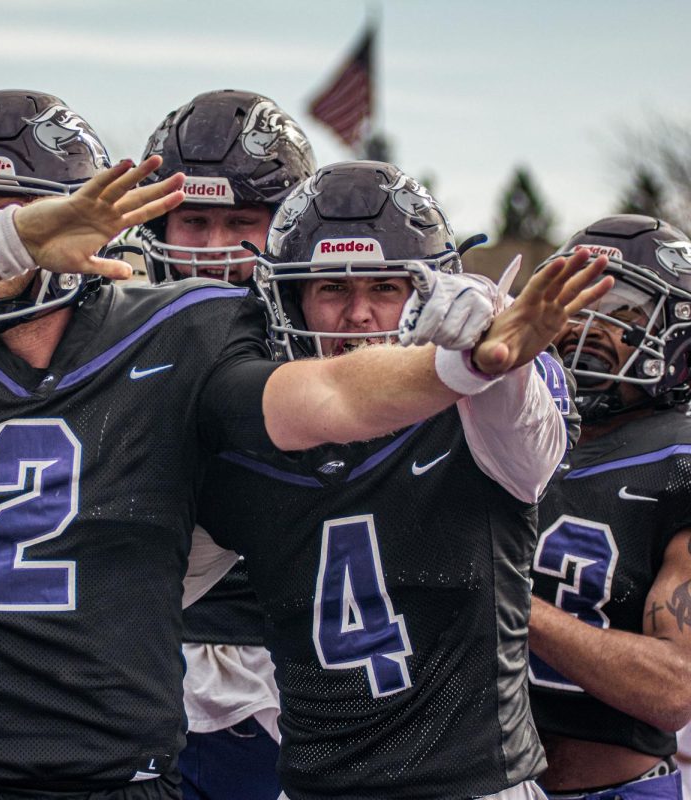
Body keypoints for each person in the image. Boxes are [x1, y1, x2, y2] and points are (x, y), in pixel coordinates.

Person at [0, 89, 605, 798]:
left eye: (381, 284)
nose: (219, 254)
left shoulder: (186, 337)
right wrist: (4, 242)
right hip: (64, 727)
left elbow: (336, 392)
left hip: (312, 734)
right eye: (192, 221)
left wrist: (478, 364)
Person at [195, 160, 585, 799]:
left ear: (432, 295)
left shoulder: (478, 421)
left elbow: (528, 425)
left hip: (472, 786)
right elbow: (149, 578)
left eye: (385, 287)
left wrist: (488, 333)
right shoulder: (257, 437)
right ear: (288, 298)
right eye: (332, 289)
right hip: (314, 787)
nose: (358, 315)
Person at [139, 89, 315, 800]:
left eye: (241, 223)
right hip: (149, 660)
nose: (214, 252)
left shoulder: (338, 338)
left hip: (298, 669)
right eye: (194, 222)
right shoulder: (114, 334)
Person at [527, 215, 691, 799]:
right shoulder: (506, 432)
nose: (585, 326)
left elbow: (676, 688)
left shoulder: (679, 460)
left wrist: (513, 603)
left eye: (623, 310)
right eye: (574, 302)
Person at [137, 89, 315, 286]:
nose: (215, 247)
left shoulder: (342, 314)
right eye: (195, 220)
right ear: (160, 226)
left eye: (241, 222)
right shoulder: (121, 315)